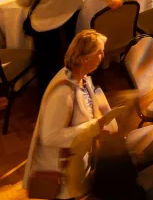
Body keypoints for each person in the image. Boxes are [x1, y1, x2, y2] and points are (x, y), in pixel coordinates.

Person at [24, 30, 122, 200]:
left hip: (77, 165)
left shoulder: (81, 78)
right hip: (63, 174)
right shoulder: (63, 93)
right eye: (99, 52)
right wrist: (94, 127)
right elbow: (50, 136)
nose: (103, 55)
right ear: (85, 58)